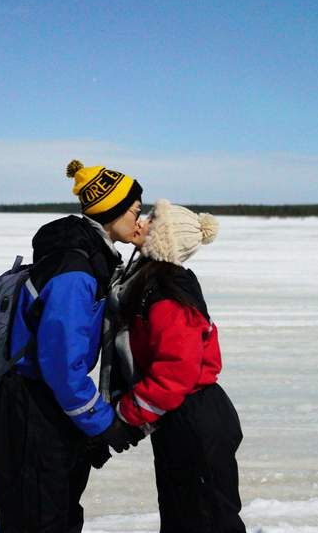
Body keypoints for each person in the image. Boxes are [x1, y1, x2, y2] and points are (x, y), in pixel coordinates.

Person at [0, 159, 148, 533]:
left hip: (50, 406)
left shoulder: (88, 258)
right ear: (112, 210)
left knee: (58, 513)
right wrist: (101, 425)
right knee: (41, 520)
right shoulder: (75, 273)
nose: (140, 221)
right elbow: (62, 365)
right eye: (136, 211)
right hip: (33, 409)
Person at [109, 199, 246, 533]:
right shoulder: (149, 281)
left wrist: (126, 415)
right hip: (178, 416)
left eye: (151, 221)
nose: (140, 222)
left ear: (163, 239)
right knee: (182, 514)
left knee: (208, 518)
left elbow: (175, 372)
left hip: (196, 418)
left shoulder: (168, 293)